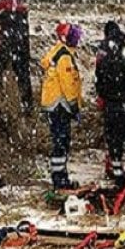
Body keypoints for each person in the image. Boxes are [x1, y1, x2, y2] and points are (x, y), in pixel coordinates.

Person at [95, 21, 125, 192]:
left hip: (110, 107)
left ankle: (118, 177)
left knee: (114, 143)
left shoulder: (103, 63)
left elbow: (99, 86)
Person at [41, 23, 83, 190]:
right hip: (60, 105)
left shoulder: (59, 52)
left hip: (54, 104)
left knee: (59, 141)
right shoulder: (64, 56)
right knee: (61, 141)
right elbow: (68, 85)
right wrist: (74, 106)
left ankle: (59, 175)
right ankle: (60, 179)